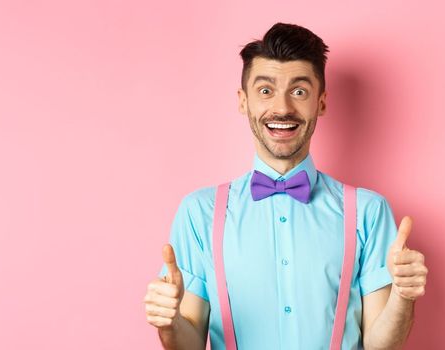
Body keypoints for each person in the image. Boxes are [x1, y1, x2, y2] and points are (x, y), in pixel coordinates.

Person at [143, 22, 428, 350]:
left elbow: (382, 346)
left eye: (299, 91)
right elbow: (188, 344)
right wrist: (169, 323)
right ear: (243, 101)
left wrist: (404, 299)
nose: (282, 108)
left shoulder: (368, 211)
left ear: (321, 103)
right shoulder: (199, 212)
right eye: (265, 90)